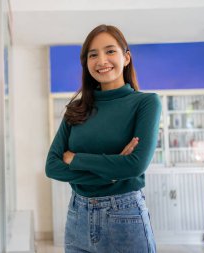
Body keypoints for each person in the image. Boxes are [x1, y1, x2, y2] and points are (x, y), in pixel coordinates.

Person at [45, 24, 161, 253]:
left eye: (110, 51)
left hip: (124, 216)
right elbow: (52, 167)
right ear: (86, 63)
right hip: (77, 215)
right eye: (93, 54)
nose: (101, 60)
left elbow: (135, 165)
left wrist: (76, 158)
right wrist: (112, 171)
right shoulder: (76, 109)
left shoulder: (145, 103)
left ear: (126, 58)